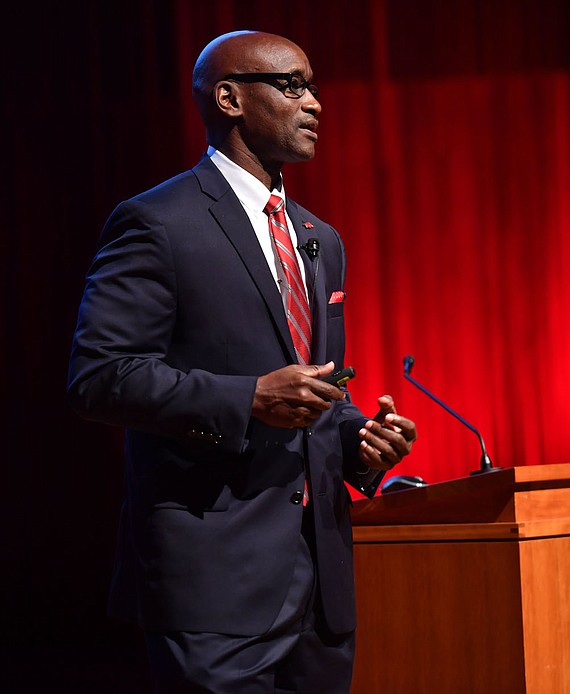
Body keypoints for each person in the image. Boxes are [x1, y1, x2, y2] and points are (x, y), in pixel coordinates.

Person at [67, 29, 417, 693]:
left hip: (318, 589)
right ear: (229, 98)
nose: (314, 103)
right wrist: (247, 398)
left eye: (313, 87)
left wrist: (358, 443)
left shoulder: (321, 239)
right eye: (292, 85)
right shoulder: (158, 223)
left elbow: (317, 392)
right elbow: (99, 376)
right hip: (214, 584)